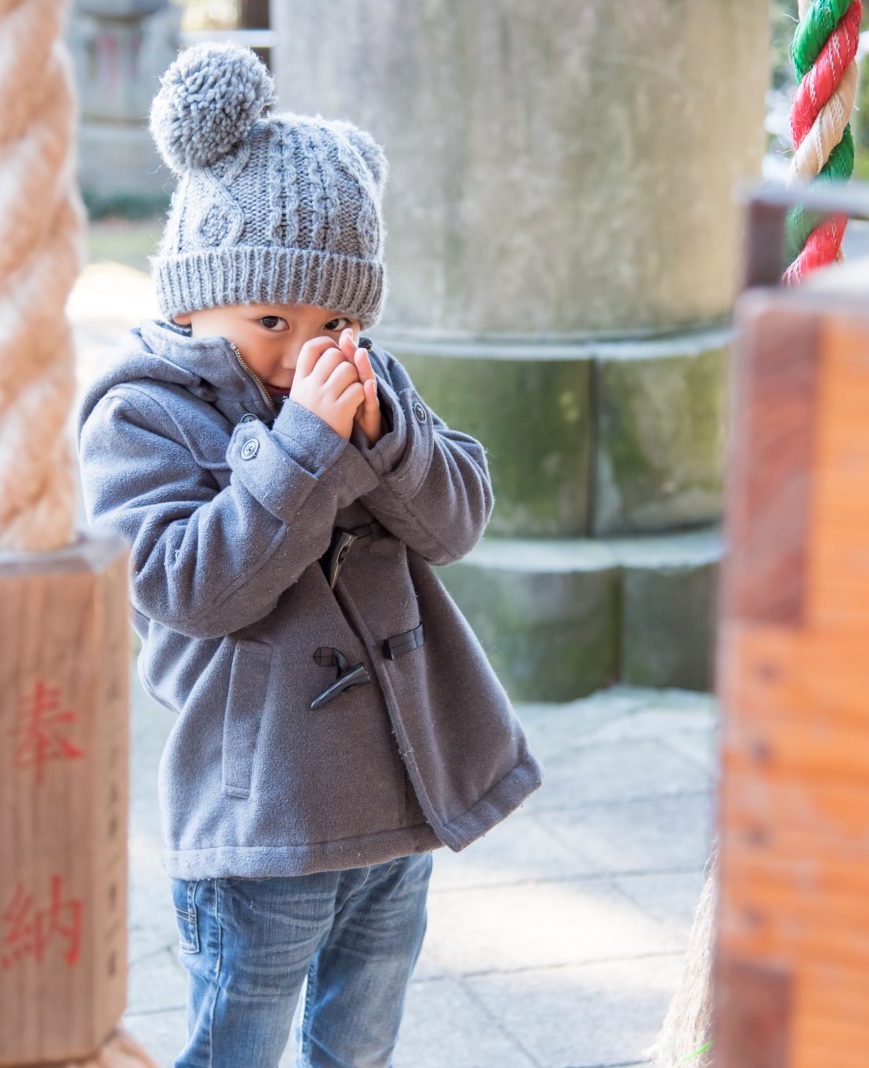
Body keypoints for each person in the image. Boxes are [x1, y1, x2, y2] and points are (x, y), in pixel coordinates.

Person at [78, 44, 542, 1068]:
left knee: (360, 1038)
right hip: (259, 822)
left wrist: (387, 439)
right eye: (270, 320)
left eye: (335, 319)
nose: (302, 351)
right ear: (195, 297)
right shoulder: (140, 414)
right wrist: (300, 454)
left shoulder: (368, 384)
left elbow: (454, 525)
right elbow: (190, 588)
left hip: (398, 794)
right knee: (237, 1041)